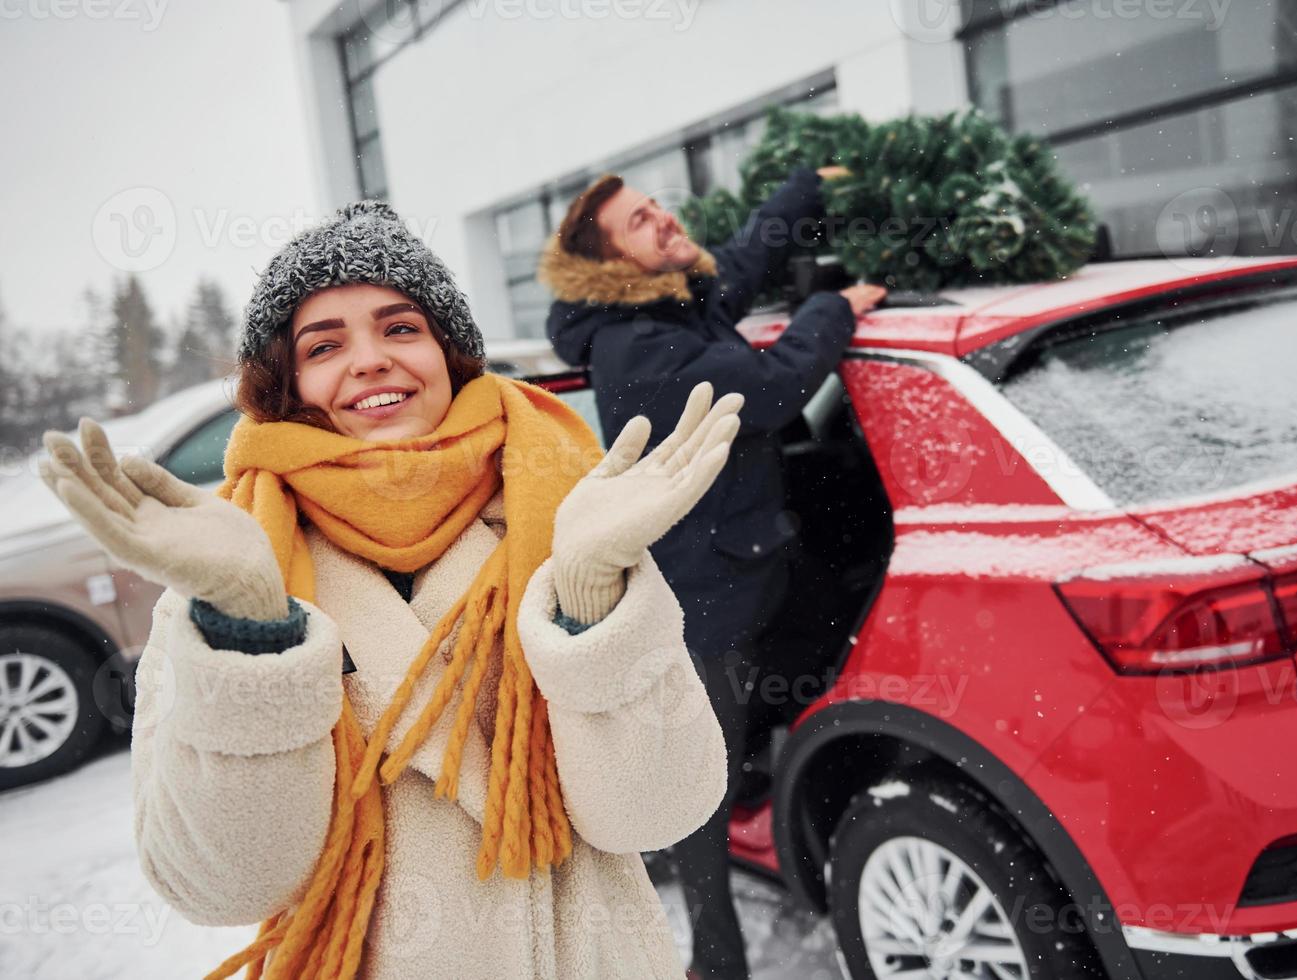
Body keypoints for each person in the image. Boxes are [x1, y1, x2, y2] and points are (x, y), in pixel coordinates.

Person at [39, 200, 744, 980]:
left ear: (451, 354)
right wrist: (249, 626)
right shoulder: (233, 575)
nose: (370, 359)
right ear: (288, 382)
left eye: (400, 328)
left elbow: (660, 811)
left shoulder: (563, 522)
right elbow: (221, 888)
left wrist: (588, 597)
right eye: (325, 344)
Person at [541, 167, 885, 980]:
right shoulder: (640, 344)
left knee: (793, 683)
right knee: (706, 787)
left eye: (655, 206)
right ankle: (716, 958)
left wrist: (809, 187)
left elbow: (743, 257)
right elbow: (772, 390)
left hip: (754, 562)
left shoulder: (670, 301)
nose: (661, 220)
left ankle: (782, 784)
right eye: (637, 221)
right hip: (706, 602)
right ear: (613, 263)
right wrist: (836, 308)